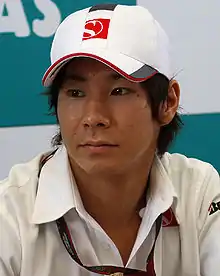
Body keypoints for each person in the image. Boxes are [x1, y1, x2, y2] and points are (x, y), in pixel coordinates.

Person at [0, 3, 219, 276]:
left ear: (168, 102)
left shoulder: (199, 194)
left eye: (119, 90)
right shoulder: (9, 216)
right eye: (76, 93)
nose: (93, 117)